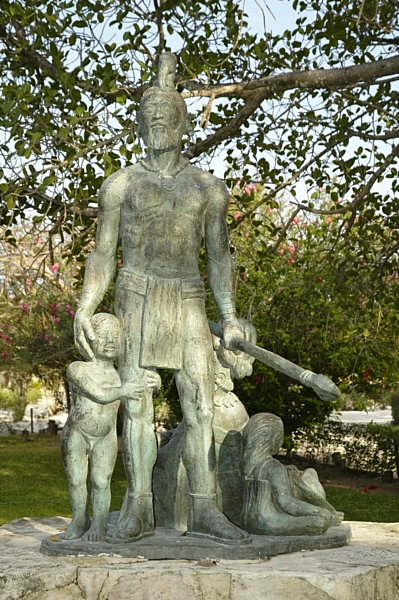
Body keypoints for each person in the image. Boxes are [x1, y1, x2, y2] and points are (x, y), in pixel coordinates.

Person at [74, 52, 250, 544]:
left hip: (189, 298)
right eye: (148, 117)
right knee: (135, 407)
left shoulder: (207, 188)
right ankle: (137, 509)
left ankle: (206, 509)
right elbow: (103, 255)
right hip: (137, 296)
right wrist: (87, 305)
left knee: (199, 405)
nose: (157, 123)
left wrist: (230, 317)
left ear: (183, 121)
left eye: (166, 116)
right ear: (138, 127)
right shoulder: (121, 184)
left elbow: (219, 258)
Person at [61, 313, 159, 542]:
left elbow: (142, 389)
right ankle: (79, 519)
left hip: (106, 434)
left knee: (101, 481)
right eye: (103, 336)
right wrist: (124, 390)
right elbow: (99, 394)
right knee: (76, 480)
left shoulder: (122, 373)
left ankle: (99, 524)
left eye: (115, 336)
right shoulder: (78, 369)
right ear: (89, 338)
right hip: (77, 432)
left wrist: (156, 382)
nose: (110, 341)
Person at [240, 413, 342, 536]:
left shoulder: (242, 465)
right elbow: (287, 503)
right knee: (319, 522)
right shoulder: (273, 467)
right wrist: (321, 511)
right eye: (280, 437)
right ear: (274, 438)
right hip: (269, 522)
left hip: (246, 522)